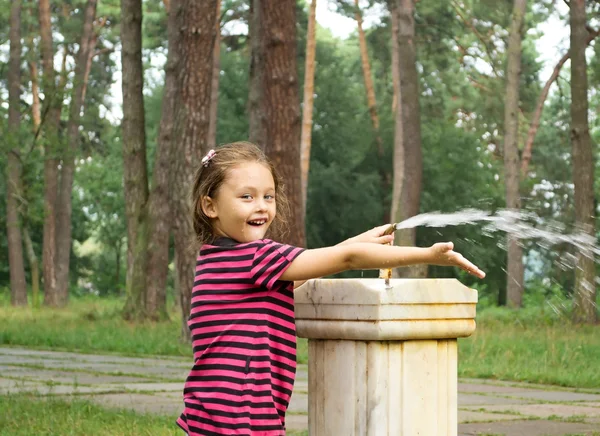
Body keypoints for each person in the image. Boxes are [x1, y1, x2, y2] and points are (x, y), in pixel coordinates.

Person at [177, 141, 485, 436]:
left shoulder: (220, 258)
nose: (261, 207)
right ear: (210, 205)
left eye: (268, 197)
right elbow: (346, 259)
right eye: (247, 197)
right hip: (238, 411)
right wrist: (430, 255)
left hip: (220, 407)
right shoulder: (254, 257)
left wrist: (355, 242)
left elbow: (319, 263)